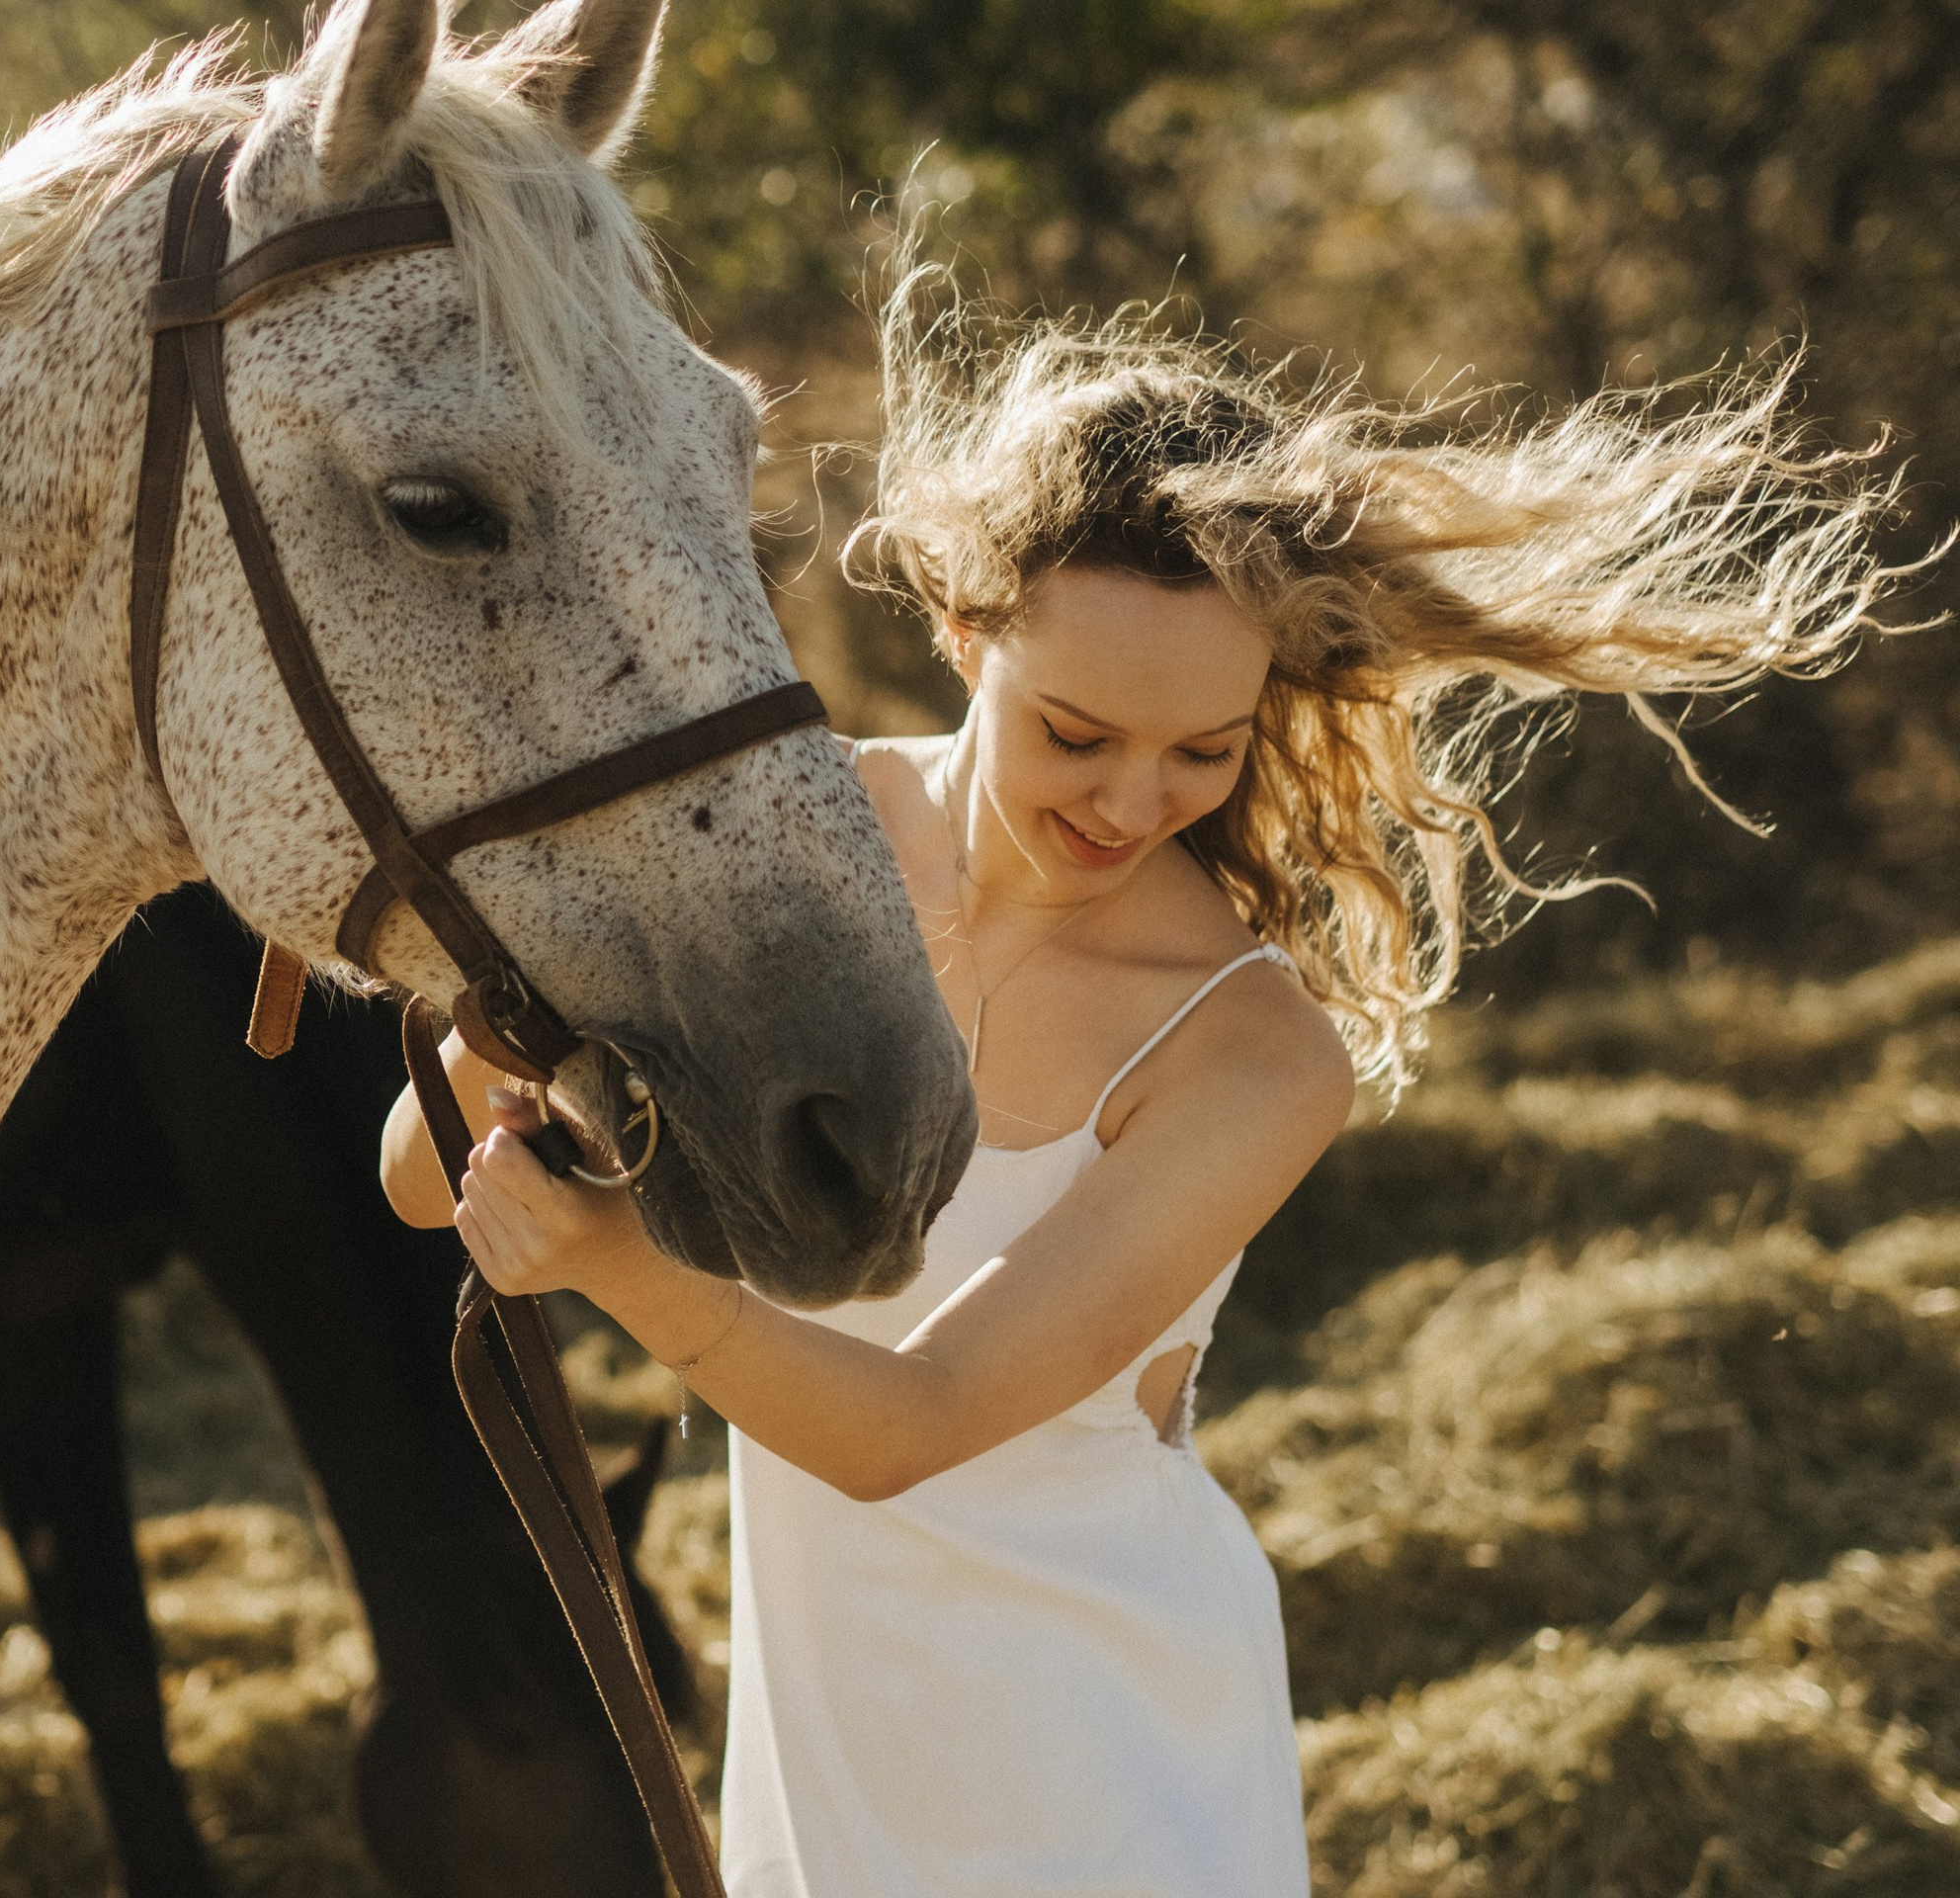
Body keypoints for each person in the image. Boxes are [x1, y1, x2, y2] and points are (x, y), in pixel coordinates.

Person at [379, 279, 1917, 1896]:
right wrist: (519, 1032)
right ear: (964, 629)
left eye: (1205, 751)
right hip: (833, 1727)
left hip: (1101, 1746)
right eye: (1076, 731)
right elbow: (425, 1173)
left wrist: (619, 1272)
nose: (1132, 800)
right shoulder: (792, 847)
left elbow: (917, 1423)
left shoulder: (1251, 1055)